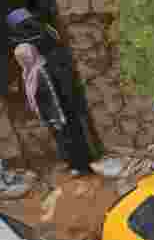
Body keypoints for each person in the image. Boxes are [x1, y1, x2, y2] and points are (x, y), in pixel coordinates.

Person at [13, 42, 94, 176]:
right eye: (19, 58)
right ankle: (74, 164)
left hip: (61, 112)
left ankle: (82, 166)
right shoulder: (29, 73)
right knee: (64, 140)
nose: (22, 60)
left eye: (24, 57)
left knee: (71, 138)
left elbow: (53, 94)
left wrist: (58, 117)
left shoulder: (43, 70)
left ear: (31, 55)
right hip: (52, 114)